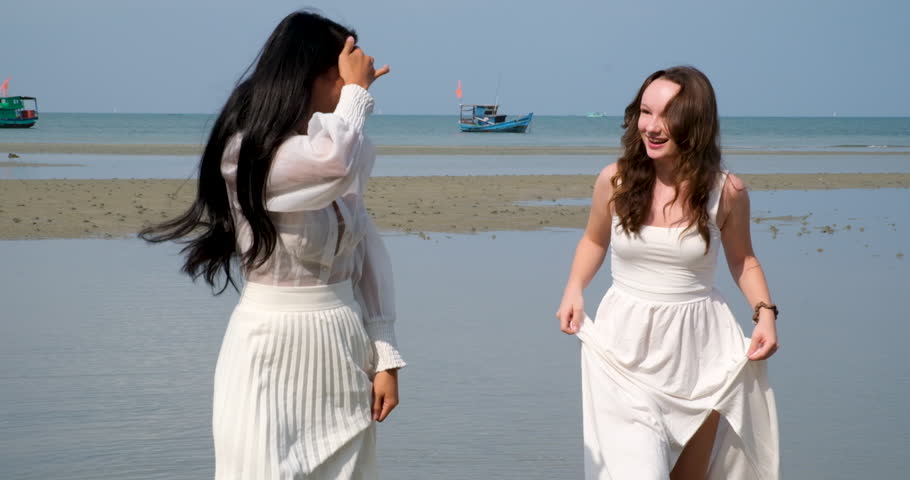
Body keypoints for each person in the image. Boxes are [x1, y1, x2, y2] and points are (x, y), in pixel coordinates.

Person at [140, 11, 404, 479]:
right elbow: (332, 166)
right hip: (271, 347)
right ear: (307, 77)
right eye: (339, 77)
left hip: (344, 346)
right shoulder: (248, 154)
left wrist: (385, 354)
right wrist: (358, 99)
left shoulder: (334, 145)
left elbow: (365, 250)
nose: (348, 88)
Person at [556, 66, 779, 479]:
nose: (652, 127)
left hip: (702, 356)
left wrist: (765, 312)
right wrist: (574, 288)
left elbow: (743, 259)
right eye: (645, 112)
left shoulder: (726, 191)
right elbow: (594, 241)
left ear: (695, 123)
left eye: (667, 117)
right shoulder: (614, 180)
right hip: (624, 351)